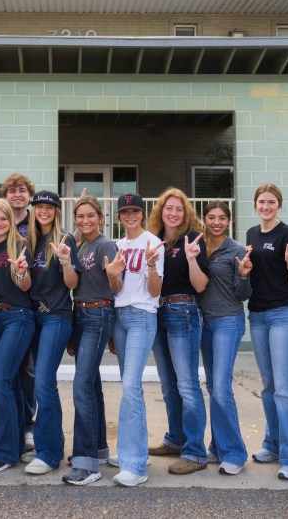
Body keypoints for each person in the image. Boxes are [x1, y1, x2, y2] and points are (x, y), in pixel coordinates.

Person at [245, 183, 288, 481]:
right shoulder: (251, 235)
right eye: (262, 201)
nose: (266, 206)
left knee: (285, 387)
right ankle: (273, 443)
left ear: (279, 205)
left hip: (284, 314)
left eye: (271, 202)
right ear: (256, 204)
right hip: (257, 316)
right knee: (269, 385)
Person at [147, 187, 210, 475]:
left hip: (182, 311)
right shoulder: (155, 241)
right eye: (168, 208)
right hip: (157, 311)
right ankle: (176, 439)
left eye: (178, 209)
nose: (173, 213)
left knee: (187, 385)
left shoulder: (192, 240)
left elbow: (200, 286)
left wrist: (192, 258)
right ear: (160, 211)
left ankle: (196, 453)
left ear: (186, 213)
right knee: (167, 383)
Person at [62, 196, 125, 486]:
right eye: (80, 216)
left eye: (90, 215)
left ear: (100, 216)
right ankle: (98, 449)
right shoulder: (81, 245)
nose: (85, 220)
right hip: (81, 314)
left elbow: (115, 286)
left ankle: (86, 463)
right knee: (92, 384)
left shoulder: (105, 245)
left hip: (99, 314)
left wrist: (113, 277)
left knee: (82, 384)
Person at [22, 191, 78, 475]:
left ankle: (49, 452)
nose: (44, 211)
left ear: (56, 211)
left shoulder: (65, 239)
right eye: (39, 207)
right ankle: (44, 442)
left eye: (49, 207)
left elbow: (72, 283)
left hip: (56, 317)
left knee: (44, 382)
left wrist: (66, 261)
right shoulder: (27, 241)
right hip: (33, 318)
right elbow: (25, 283)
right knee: (34, 382)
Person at [109, 194, 163, 487]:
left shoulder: (152, 243)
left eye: (135, 211)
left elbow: (154, 292)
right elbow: (116, 288)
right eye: (125, 212)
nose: (130, 216)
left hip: (142, 316)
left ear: (142, 214)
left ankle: (136, 465)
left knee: (131, 386)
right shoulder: (118, 246)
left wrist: (152, 266)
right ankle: (134, 450)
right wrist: (112, 275)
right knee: (129, 387)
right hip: (120, 317)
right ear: (119, 216)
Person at [0, 198, 35, 473]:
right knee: (6, 383)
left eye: (3, 218)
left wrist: (22, 273)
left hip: (18, 317)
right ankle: (12, 445)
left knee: (0, 381)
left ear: (11, 220)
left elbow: (26, 285)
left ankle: (5, 450)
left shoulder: (21, 245)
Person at [199, 200, 253, 476]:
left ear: (228, 221)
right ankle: (218, 445)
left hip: (227, 322)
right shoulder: (198, 246)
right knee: (212, 387)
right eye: (211, 217)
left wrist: (243, 275)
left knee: (221, 387)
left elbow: (244, 295)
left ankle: (234, 453)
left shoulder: (236, 251)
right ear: (205, 219)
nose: (216, 222)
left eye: (222, 217)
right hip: (203, 323)